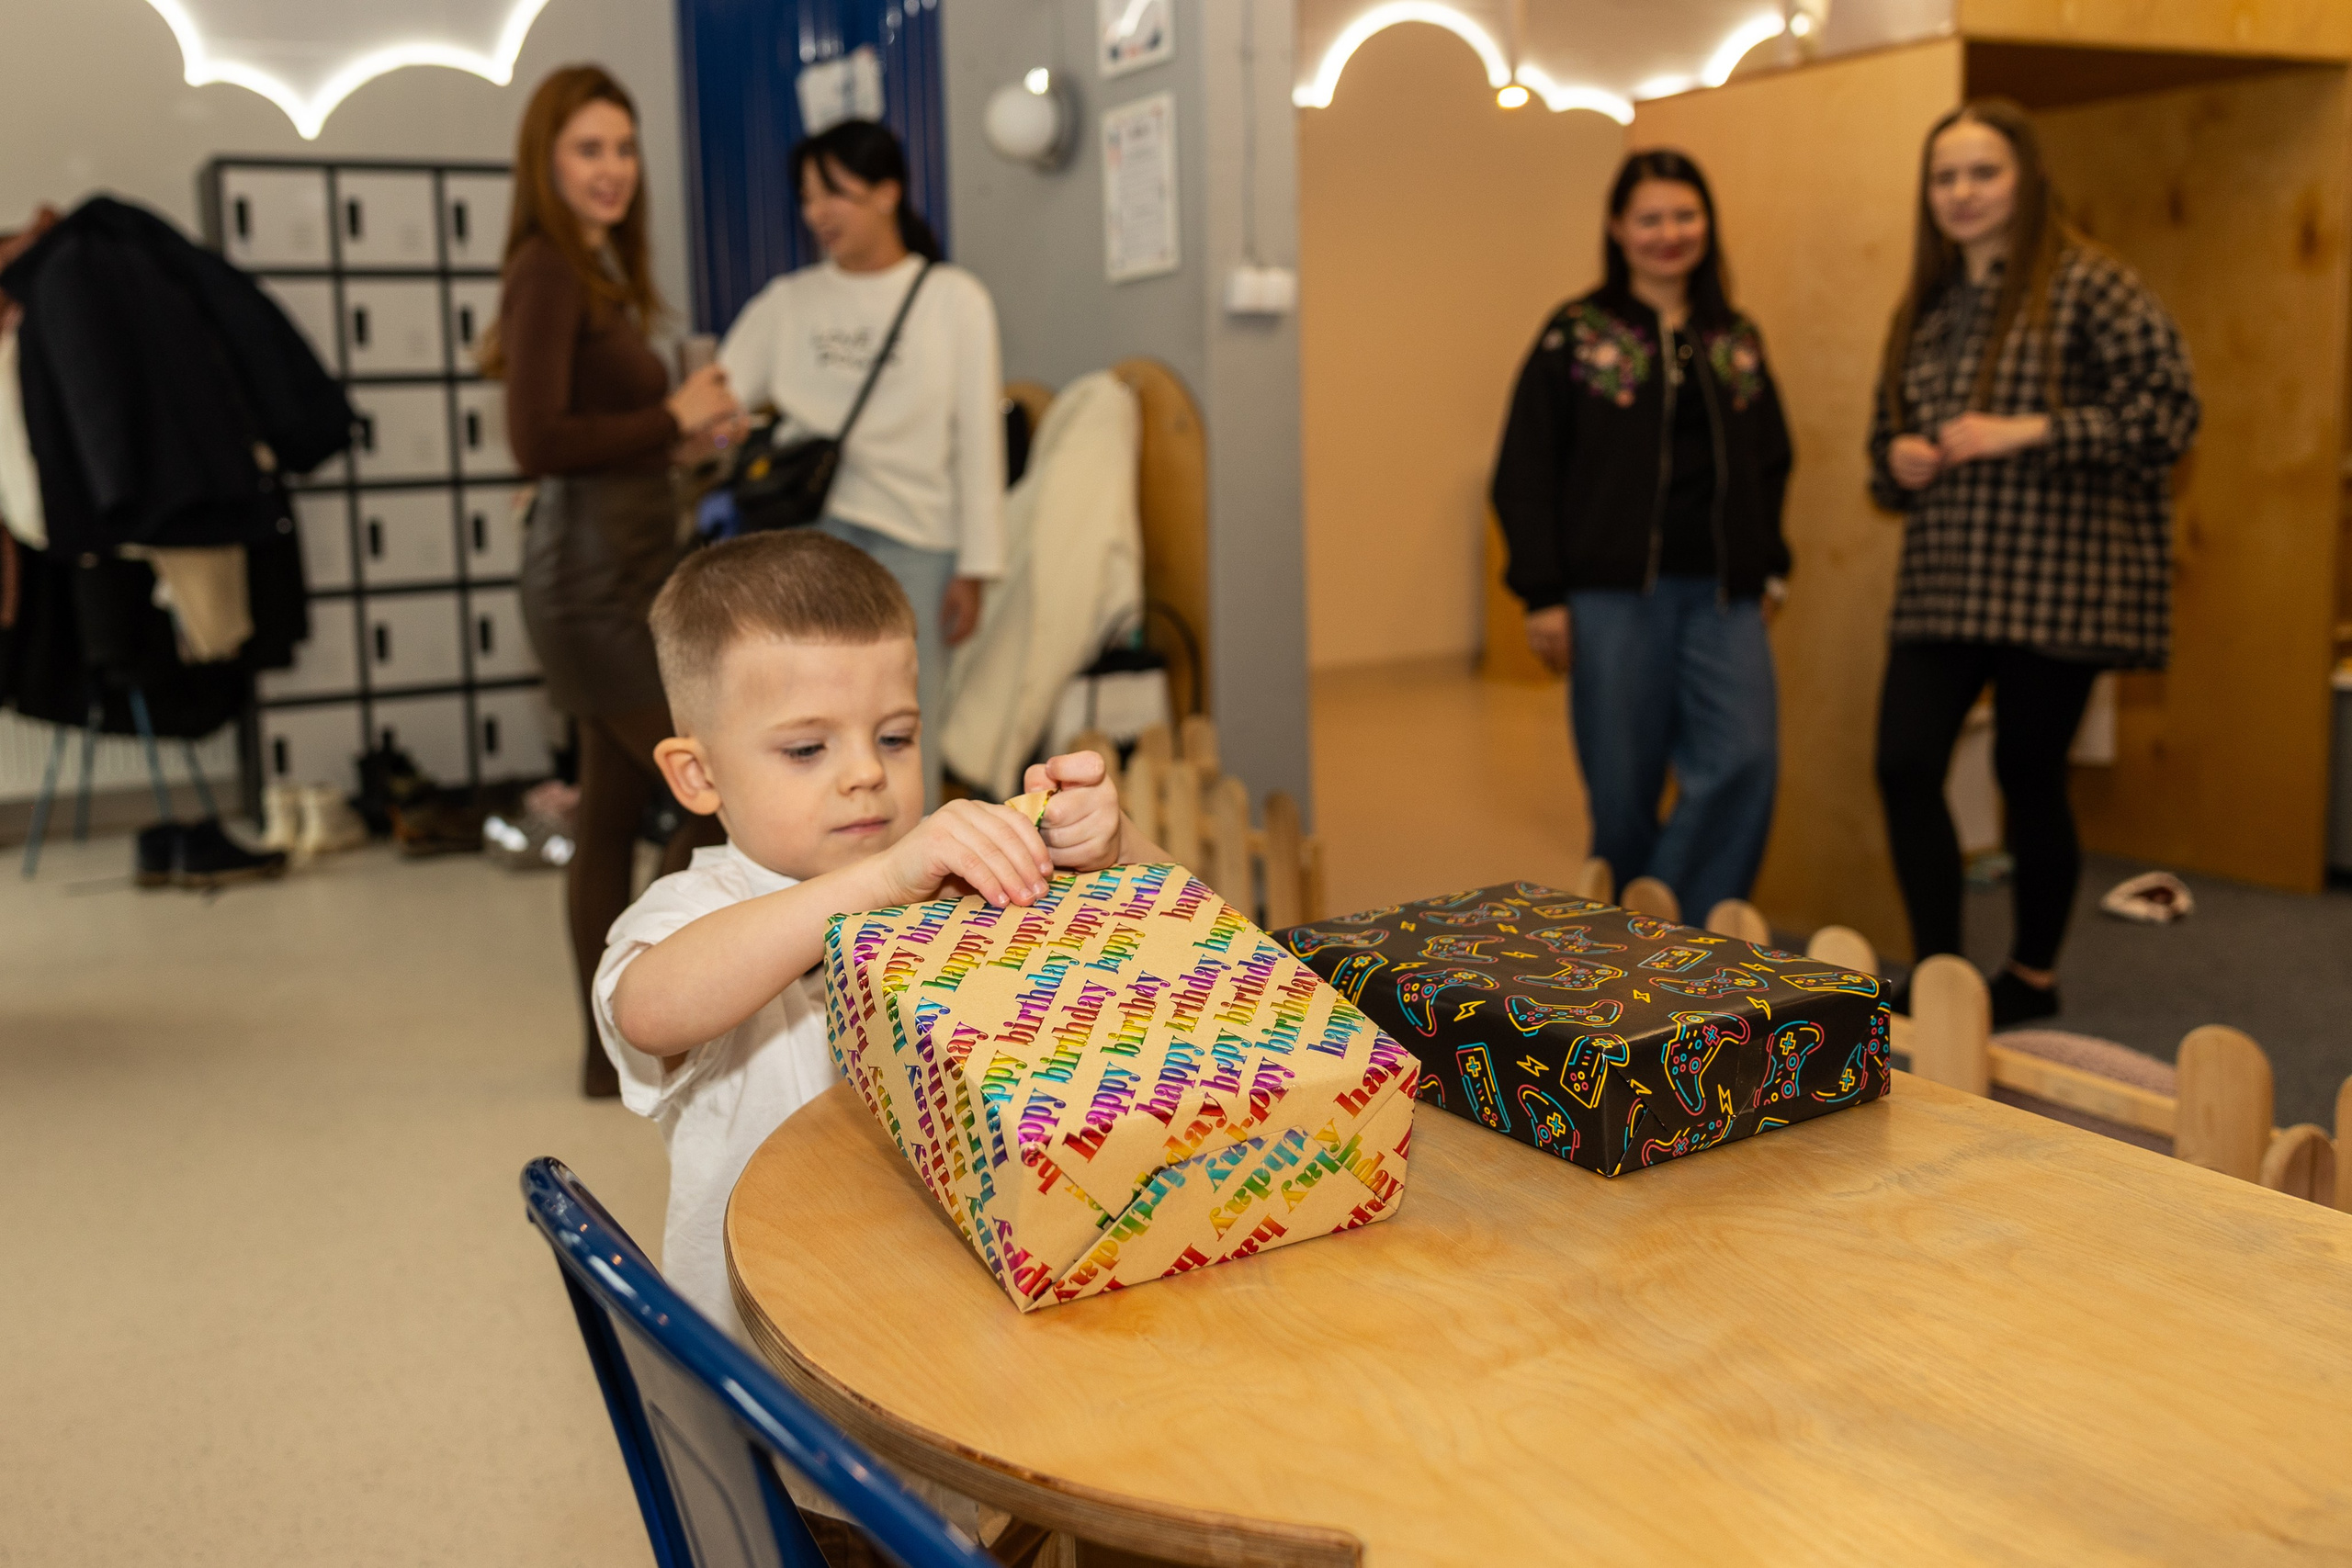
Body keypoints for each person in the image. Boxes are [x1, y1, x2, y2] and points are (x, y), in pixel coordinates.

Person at [594, 530, 1154, 1343]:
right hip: (773, 1367)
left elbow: (1194, 939)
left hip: (943, 1315)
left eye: (894, 736)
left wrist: (1116, 846)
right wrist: (881, 881)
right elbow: (647, 1009)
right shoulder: (696, 908)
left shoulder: (952, 871)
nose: (866, 772)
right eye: (807, 747)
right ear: (699, 775)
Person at [1868, 100, 2198, 1026]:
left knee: (2028, 773)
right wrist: (1895, 459)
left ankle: (2031, 980)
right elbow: (1878, 458)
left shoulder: (2092, 285)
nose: (1962, 193)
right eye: (1945, 177)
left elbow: (2169, 414)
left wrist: (2029, 430)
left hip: (2060, 587)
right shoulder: (1922, 311)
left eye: (1983, 172)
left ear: (2026, 180)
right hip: (1942, 584)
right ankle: (1941, 977)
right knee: (1901, 764)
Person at [492, 64, 741, 1097]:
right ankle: (649, 1005)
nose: (612, 170)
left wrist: (676, 448)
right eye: (588, 149)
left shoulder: (592, 270)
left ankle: (611, 1052)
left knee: (606, 809)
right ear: (547, 161)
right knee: (718, 796)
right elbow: (534, 437)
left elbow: (597, 440)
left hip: (622, 568)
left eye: (624, 149)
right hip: (589, 585)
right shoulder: (549, 267)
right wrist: (671, 417)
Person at [1492, 151, 1793, 919]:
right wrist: (1543, 593)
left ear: (1708, 225)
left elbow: (1771, 459)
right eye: (1651, 218)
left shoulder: (1737, 337)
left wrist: (1773, 564)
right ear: (1618, 229)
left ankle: (1686, 932)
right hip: (1610, 597)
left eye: (1685, 216)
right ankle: (1631, 953)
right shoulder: (1576, 334)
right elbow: (1524, 468)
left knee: (1745, 760)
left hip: (1725, 594)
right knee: (1622, 785)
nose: (1669, 233)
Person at [718, 119, 1004, 810]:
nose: (817, 213)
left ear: (887, 193)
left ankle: (920, 898)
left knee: (906, 732)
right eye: (807, 197)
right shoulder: (790, 302)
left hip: (919, 546)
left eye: (835, 193)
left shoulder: (953, 299)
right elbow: (718, 397)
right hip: (811, 548)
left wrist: (977, 564)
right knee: (808, 729)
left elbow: (978, 441)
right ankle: (833, 895)